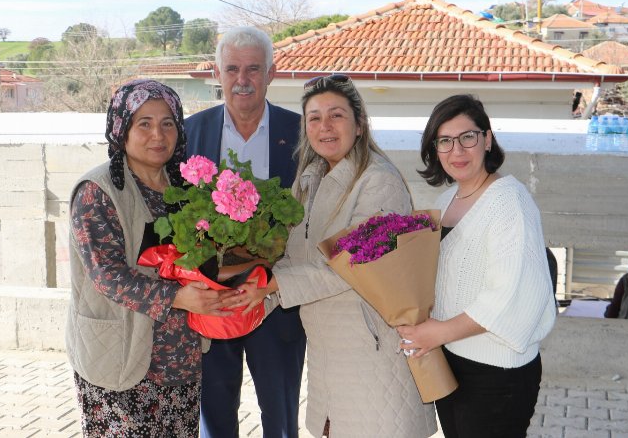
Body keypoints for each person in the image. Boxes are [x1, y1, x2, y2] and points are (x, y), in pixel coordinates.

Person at [241, 74, 437, 437]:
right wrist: (245, 293)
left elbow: (350, 268)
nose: (324, 127)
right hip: (328, 353)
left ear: (359, 124)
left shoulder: (378, 181)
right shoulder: (309, 180)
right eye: (314, 118)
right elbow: (293, 260)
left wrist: (270, 287)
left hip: (371, 354)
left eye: (336, 115)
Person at [65, 79, 241, 437]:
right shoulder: (98, 191)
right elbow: (107, 275)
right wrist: (178, 296)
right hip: (121, 361)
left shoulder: (186, 190)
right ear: (121, 128)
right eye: (143, 123)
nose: (157, 134)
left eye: (167, 123)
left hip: (180, 361)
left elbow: (204, 258)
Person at [397, 94, 556, 438]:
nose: (457, 151)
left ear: (487, 139)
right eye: (445, 141)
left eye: (467, 137)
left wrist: (437, 332)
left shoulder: (508, 200)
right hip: (454, 362)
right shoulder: (447, 200)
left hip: (497, 372)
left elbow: (509, 294)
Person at [184, 26, 306, 438]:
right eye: (232, 68)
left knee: (281, 414)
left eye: (253, 69)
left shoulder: (304, 132)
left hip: (275, 300)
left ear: (271, 73)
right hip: (213, 299)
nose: (242, 80)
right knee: (215, 416)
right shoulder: (190, 133)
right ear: (217, 72)